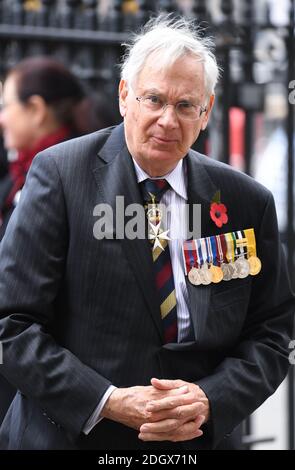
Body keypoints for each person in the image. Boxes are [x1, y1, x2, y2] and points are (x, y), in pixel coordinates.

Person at [0, 15, 293, 450]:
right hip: (73, 436)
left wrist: (211, 399)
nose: (167, 121)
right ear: (124, 97)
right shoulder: (61, 175)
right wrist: (108, 400)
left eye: (185, 106)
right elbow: (12, 324)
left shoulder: (245, 200)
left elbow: (271, 332)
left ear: (206, 111)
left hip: (194, 442)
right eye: (153, 99)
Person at [0, 56, 87, 424]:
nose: (2, 117)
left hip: (48, 362)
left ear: (35, 109)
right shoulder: (20, 170)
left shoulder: (67, 174)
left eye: (6, 105)